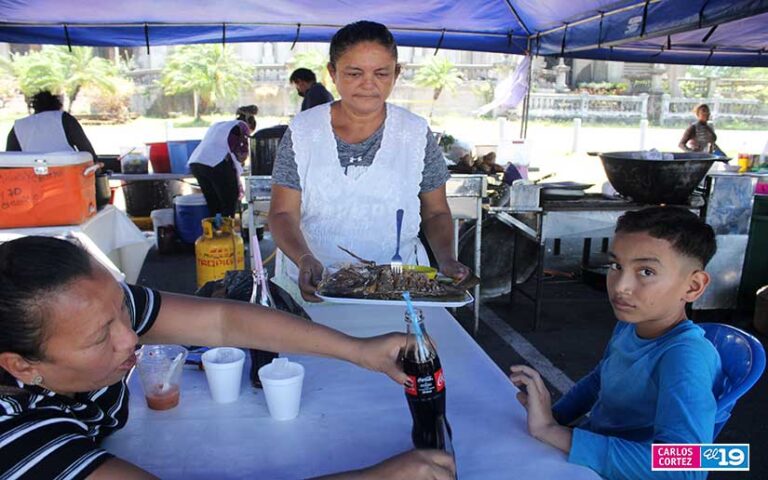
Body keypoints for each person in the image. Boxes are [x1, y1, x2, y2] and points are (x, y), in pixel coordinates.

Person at [0, 236, 455, 480]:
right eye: (102, 338)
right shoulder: (12, 442)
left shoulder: (92, 309)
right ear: (21, 366)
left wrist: (358, 350)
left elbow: (221, 321)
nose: (130, 339)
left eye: (124, 309)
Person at [509, 206, 721, 480]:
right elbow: (601, 379)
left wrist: (550, 430)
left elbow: (686, 468)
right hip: (595, 447)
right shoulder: (631, 324)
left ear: (693, 287)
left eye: (646, 271)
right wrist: (553, 416)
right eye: (616, 266)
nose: (620, 286)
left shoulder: (685, 357)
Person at [270, 21, 470, 302]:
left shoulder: (414, 132)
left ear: (396, 73)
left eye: (381, 73)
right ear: (332, 73)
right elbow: (282, 214)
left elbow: (436, 212)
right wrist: (304, 259)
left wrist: (447, 259)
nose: (368, 84)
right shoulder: (304, 132)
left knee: (397, 347)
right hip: (313, 285)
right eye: (354, 73)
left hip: (398, 287)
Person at [188, 105, 258, 218]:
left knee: (214, 203)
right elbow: (241, 153)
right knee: (229, 201)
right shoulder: (242, 126)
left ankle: (215, 232)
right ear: (250, 125)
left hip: (197, 163)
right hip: (215, 163)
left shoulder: (220, 124)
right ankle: (226, 232)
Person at [6, 90, 97, 160]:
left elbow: (10, 159)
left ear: (35, 108)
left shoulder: (19, 125)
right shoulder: (65, 119)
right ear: (58, 106)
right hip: (67, 175)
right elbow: (87, 151)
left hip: (30, 177)